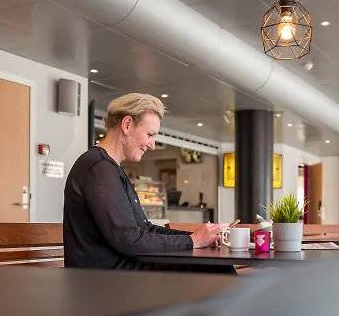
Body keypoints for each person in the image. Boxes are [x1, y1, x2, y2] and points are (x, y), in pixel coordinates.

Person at [63, 93, 226, 270]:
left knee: (215, 266)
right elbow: (129, 240)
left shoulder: (108, 167)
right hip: (106, 280)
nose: (152, 145)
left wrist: (197, 238)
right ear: (127, 124)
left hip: (123, 273)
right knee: (216, 267)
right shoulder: (99, 168)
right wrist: (193, 241)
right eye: (150, 135)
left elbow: (145, 229)